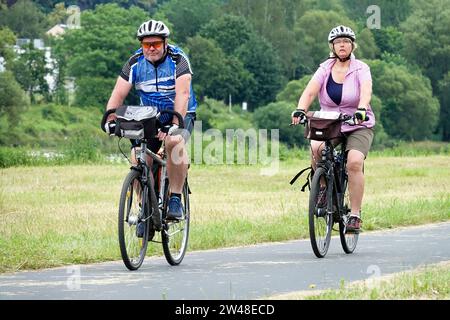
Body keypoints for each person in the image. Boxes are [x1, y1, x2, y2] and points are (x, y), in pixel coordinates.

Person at [105, 19, 197, 221]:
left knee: (174, 142)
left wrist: (175, 124)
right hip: (150, 117)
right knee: (137, 156)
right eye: (147, 44)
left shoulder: (179, 60)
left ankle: (174, 198)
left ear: (165, 43)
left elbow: (183, 94)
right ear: (141, 45)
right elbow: (118, 94)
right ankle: (144, 207)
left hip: (181, 113)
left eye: (156, 44)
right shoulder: (134, 63)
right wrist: (110, 118)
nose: (152, 48)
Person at [291, 25, 375, 232]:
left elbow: (366, 91)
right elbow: (310, 92)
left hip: (358, 123)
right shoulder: (325, 68)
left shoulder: (361, 68)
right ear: (333, 47)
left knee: (354, 162)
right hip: (331, 122)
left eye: (346, 41)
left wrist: (362, 109)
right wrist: (300, 109)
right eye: (338, 42)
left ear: (352, 45)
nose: (342, 45)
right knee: (316, 148)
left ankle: (354, 215)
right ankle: (322, 190)